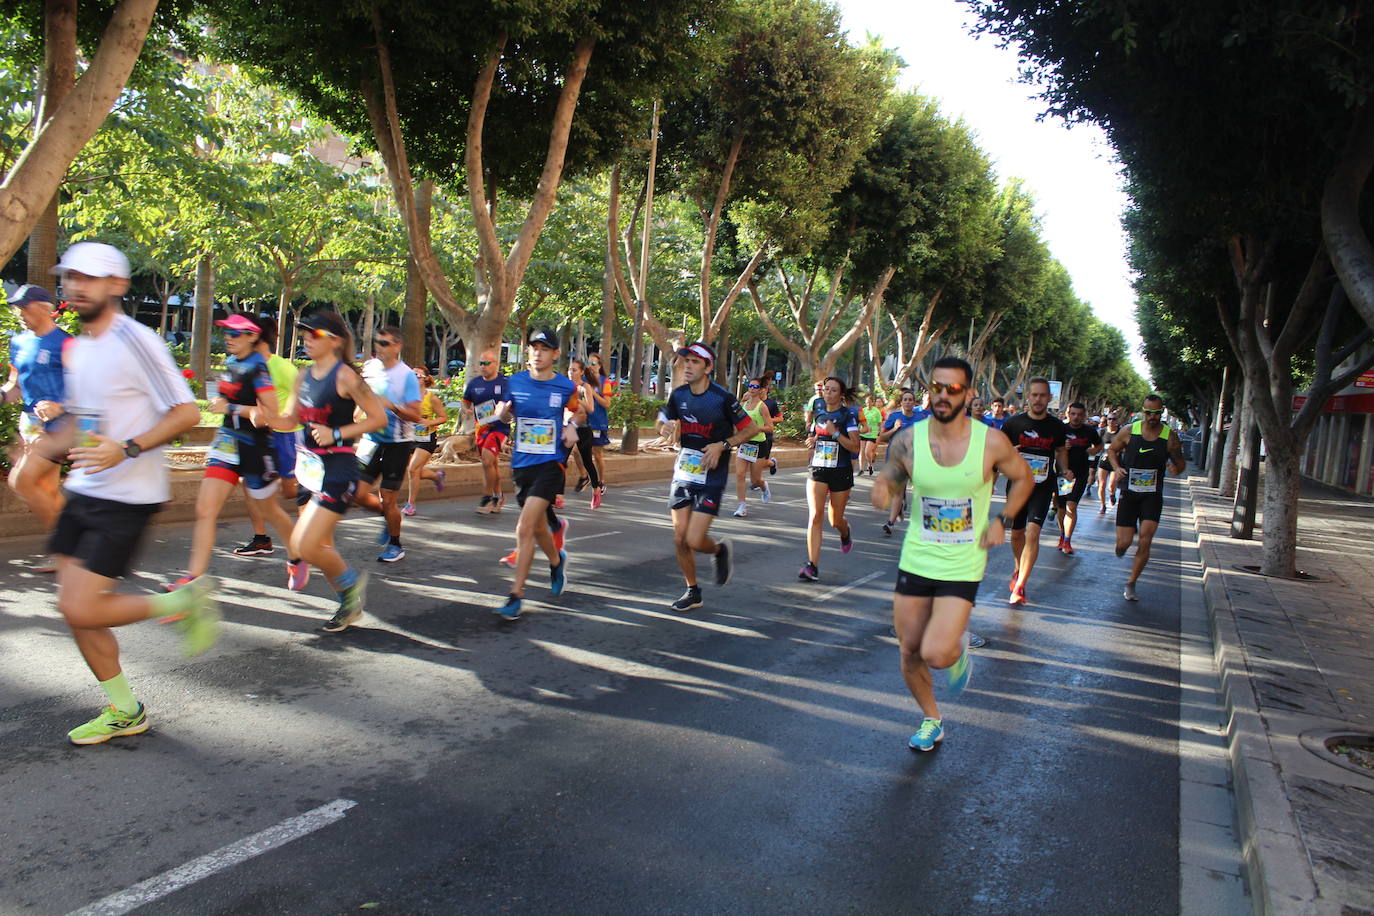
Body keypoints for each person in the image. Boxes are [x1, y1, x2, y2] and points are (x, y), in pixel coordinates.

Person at [45, 242, 217, 745]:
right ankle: (125, 709)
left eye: (90, 278)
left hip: (126, 497)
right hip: (83, 490)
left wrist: (127, 448)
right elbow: (84, 419)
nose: (76, 286)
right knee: (73, 608)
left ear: (117, 285)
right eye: (71, 276)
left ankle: (181, 603)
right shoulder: (82, 345)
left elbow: (185, 413)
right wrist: (43, 449)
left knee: (81, 609)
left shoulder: (136, 339)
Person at [873, 356, 1031, 751]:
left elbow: (1024, 477)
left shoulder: (990, 441)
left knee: (937, 654)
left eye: (953, 389)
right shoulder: (908, 439)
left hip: (963, 561)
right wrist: (883, 489)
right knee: (909, 649)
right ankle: (932, 719)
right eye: (936, 387)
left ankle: (956, 648)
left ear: (970, 393)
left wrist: (1004, 519)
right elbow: (890, 478)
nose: (942, 395)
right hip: (917, 558)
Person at [168, 313, 299, 590]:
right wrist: (223, 400)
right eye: (226, 331)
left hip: (255, 447)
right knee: (205, 509)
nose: (228, 337)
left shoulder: (259, 369)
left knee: (271, 511)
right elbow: (231, 397)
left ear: (253, 336)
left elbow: (268, 415)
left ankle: (297, 557)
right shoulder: (230, 362)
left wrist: (230, 408)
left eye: (236, 333)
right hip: (227, 444)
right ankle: (193, 579)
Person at [284, 310, 387, 631]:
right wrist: (254, 414)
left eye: (315, 334)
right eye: (305, 334)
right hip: (310, 470)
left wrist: (337, 433)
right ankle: (348, 594)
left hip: (338, 470)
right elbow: (288, 419)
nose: (307, 339)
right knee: (302, 546)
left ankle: (350, 591)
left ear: (336, 341)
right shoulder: (303, 376)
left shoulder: (346, 377)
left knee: (310, 545)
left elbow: (378, 419)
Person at [659, 342, 757, 611]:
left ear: (708, 367)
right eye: (686, 361)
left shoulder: (722, 398)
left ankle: (718, 550)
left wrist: (723, 445)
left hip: (711, 477)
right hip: (684, 473)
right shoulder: (678, 395)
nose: (688, 366)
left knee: (693, 538)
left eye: (695, 362)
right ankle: (693, 591)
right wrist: (664, 427)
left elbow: (751, 429)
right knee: (679, 538)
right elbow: (662, 419)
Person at [491, 328, 581, 620]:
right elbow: (505, 414)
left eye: (544, 348)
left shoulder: (565, 386)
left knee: (524, 528)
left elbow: (579, 412)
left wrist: (571, 425)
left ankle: (516, 595)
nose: (538, 353)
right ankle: (556, 561)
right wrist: (502, 414)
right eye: (533, 347)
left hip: (551, 464)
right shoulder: (514, 382)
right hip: (522, 464)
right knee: (540, 528)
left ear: (555, 354)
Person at [3, 284, 71, 536]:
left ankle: (67, 545)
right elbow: (14, 385)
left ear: (45, 309)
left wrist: (59, 406)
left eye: (24, 307)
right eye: (17, 307)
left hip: (59, 428)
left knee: (21, 480)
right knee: (47, 489)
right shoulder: (19, 341)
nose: (19, 312)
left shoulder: (65, 344)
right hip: (29, 423)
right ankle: (74, 545)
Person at [1107, 394, 1186, 601]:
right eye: (1148, 412)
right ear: (1143, 411)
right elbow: (1112, 450)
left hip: (1152, 494)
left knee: (1145, 539)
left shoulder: (1169, 437)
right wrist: (1117, 468)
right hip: (1129, 492)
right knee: (1123, 542)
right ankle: (1123, 545)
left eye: (1156, 413)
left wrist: (1175, 468)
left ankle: (1131, 582)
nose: (1152, 416)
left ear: (1162, 412)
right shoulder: (1129, 431)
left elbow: (1180, 463)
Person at [234, 316, 302, 558]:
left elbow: (303, 401)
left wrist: (282, 417)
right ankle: (261, 538)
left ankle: (312, 525)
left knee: (290, 491)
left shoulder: (282, 367)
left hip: (287, 437)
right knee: (250, 486)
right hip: (257, 436)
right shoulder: (244, 365)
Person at [1000, 377, 1072, 606]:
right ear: (1028, 397)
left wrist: (1065, 469)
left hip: (1042, 487)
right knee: (1018, 534)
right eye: (1035, 395)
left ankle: (1021, 585)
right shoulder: (1013, 424)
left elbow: (1060, 451)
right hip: (1017, 486)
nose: (1039, 399)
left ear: (1050, 398)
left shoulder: (1057, 427)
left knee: (1032, 533)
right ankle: (1018, 567)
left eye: (1043, 395)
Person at [354, 327, 421, 562]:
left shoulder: (407, 376)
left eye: (385, 343)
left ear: (397, 347)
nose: (379, 347)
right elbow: (362, 393)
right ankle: (389, 517)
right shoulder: (370, 368)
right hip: (370, 441)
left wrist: (391, 406)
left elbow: (416, 415)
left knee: (387, 497)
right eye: (377, 342)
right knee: (357, 493)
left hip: (397, 443)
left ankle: (395, 544)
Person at [799, 376, 862, 581]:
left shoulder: (848, 416)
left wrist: (835, 434)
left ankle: (845, 531)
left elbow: (855, 447)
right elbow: (817, 435)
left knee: (834, 520)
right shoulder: (819, 414)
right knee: (815, 516)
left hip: (841, 470)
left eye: (833, 390)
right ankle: (812, 565)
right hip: (818, 468)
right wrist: (813, 440)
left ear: (841, 394)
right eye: (826, 389)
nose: (828, 393)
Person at [464, 348, 509, 515]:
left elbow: (512, 403)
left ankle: (488, 496)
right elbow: (465, 402)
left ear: (496, 364)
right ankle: (499, 495)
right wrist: (467, 411)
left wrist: (506, 409)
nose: (483, 366)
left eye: (486, 363)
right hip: (481, 428)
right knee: (491, 464)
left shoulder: (505, 382)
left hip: (499, 427)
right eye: (481, 363)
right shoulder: (474, 383)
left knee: (487, 460)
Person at [1054, 401, 1102, 555]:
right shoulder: (1060, 429)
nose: (1076, 417)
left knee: (1071, 506)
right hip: (1062, 474)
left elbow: (1099, 446)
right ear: (1068, 414)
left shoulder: (1089, 431)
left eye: (1080, 415)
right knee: (1062, 508)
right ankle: (1062, 535)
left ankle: (1068, 541)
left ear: (1084, 416)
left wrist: (1091, 451)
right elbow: (1051, 449)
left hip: (1080, 474)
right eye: (1073, 414)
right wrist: (1061, 448)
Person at [402, 366, 448, 516]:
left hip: (426, 438)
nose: (414, 376)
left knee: (413, 469)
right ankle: (436, 476)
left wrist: (429, 422)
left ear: (425, 378)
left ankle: (411, 505)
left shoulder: (431, 398)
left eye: (418, 374)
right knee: (415, 472)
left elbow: (443, 417)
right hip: (409, 436)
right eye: (412, 374)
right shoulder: (406, 396)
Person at [877, 389, 922, 537]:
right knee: (897, 492)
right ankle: (891, 521)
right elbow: (881, 437)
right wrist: (895, 429)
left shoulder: (920, 418)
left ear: (914, 402)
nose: (908, 402)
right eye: (905, 399)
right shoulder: (894, 417)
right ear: (901, 402)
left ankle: (911, 520)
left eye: (910, 400)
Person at [731, 375, 774, 517]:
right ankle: (742, 506)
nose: (751, 388)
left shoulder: (763, 407)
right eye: (750, 386)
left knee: (755, 479)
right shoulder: (744, 404)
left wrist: (757, 428)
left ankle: (763, 486)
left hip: (758, 444)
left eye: (755, 387)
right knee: (740, 474)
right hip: (745, 443)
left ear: (761, 389)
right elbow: (737, 419)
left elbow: (770, 427)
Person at [567, 358, 605, 507]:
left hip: (584, 428)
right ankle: (557, 496)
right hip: (570, 426)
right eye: (570, 370)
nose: (571, 372)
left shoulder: (585, 387)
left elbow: (591, 409)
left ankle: (596, 490)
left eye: (574, 370)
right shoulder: (566, 386)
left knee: (587, 461)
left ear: (581, 372)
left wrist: (578, 399)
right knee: (561, 460)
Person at [584, 352, 614, 497]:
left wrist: (593, 394)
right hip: (583, 422)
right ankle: (584, 477)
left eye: (593, 363)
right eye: (588, 363)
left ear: (599, 365)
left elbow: (607, 403)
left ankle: (601, 481)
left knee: (597, 455)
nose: (590, 366)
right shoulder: (583, 380)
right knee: (577, 452)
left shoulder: (605, 381)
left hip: (598, 423)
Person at [1097, 413, 1121, 514]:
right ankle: (1102, 505)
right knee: (1101, 485)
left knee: (1111, 485)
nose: (1111, 421)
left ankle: (1112, 494)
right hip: (1104, 461)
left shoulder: (1121, 432)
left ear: (1117, 421)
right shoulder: (1102, 432)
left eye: (1114, 419)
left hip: (1116, 462)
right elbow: (1097, 446)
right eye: (1109, 419)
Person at [859, 393, 884, 475]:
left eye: (869, 402)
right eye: (866, 402)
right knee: (862, 451)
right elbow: (860, 421)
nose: (868, 404)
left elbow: (879, 423)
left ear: (872, 403)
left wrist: (879, 432)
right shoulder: (863, 410)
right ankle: (861, 469)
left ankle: (870, 465)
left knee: (867, 451)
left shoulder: (876, 411)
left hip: (873, 433)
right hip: (863, 433)